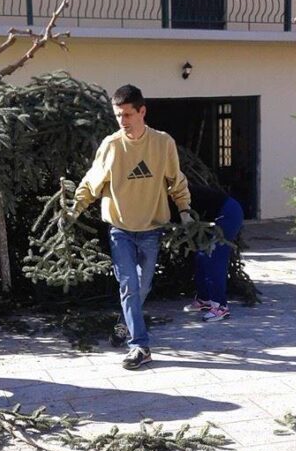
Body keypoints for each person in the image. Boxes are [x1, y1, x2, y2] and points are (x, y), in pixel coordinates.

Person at [73, 84, 193, 370]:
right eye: (118, 116)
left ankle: (124, 324)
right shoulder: (111, 145)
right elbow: (92, 181)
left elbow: (176, 180)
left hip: (152, 228)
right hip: (120, 229)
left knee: (143, 285)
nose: (123, 121)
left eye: (128, 114)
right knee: (128, 284)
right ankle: (139, 346)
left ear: (142, 112)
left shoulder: (163, 143)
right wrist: (75, 207)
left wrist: (185, 210)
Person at [178, 184, 244, 322]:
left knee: (215, 260)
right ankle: (205, 299)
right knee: (201, 258)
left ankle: (220, 307)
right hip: (214, 217)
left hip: (227, 214)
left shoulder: (178, 194)